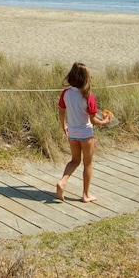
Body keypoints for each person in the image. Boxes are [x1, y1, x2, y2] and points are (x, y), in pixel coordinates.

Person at [56, 62, 113, 202]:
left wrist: (64, 126)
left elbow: (61, 111)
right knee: (88, 163)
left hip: (73, 133)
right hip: (86, 135)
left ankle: (62, 182)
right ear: (86, 78)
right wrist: (105, 122)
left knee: (74, 161)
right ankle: (86, 195)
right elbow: (93, 120)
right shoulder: (88, 96)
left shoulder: (66, 93)